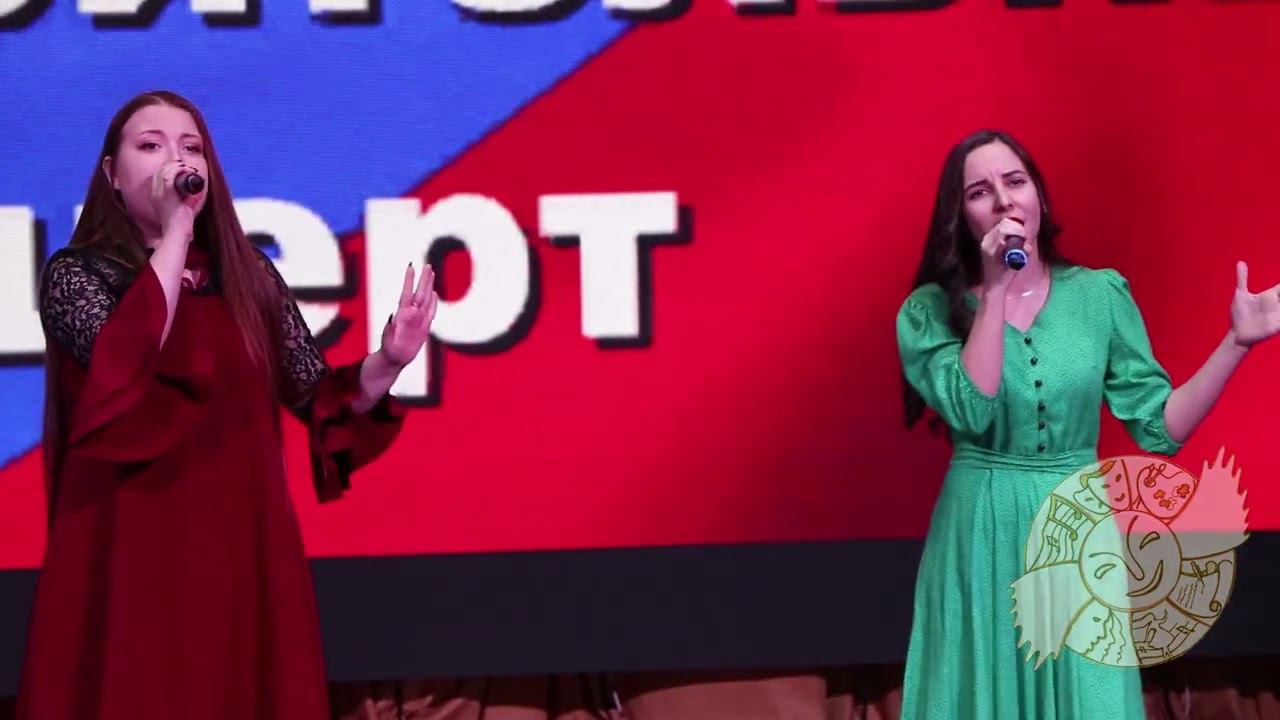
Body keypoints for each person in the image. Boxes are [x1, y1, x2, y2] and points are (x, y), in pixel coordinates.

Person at [17, 90, 439, 720]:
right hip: (129, 554)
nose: (176, 160)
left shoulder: (248, 276)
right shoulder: (76, 275)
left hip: (241, 551)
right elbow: (126, 359)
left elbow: (319, 398)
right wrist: (176, 232)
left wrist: (389, 360)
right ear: (111, 174)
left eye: (191, 148)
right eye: (151, 145)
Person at [895, 129, 1280, 719]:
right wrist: (994, 290)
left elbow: (1160, 429)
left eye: (1015, 181)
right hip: (981, 528)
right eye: (979, 191)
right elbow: (972, 407)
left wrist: (1236, 343)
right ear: (961, 216)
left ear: (1040, 199)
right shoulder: (928, 311)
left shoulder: (1099, 295)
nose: (1003, 198)